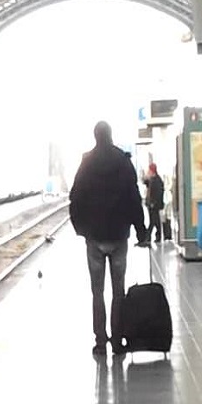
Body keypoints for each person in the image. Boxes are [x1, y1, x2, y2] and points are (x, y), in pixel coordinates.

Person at [69, 121, 146, 358]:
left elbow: (75, 199)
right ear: (111, 136)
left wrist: (81, 229)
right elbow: (134, 198)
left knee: (97, 292)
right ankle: (118, 340)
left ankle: (100, 342)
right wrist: (140, 230)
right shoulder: (123, 162)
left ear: (95, 136)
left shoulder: (86, 162)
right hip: (119, 236)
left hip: (94, 238)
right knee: (118, 291)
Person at [141, 164, 166, 247]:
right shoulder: (152, 179)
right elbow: (145, 182)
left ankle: (148, 238)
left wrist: (153, 203)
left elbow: (158, 193)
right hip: (151, 204)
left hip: (154, 204)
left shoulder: (157, 180)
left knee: (153, 221)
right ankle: (157, 236)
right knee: (155, 221)